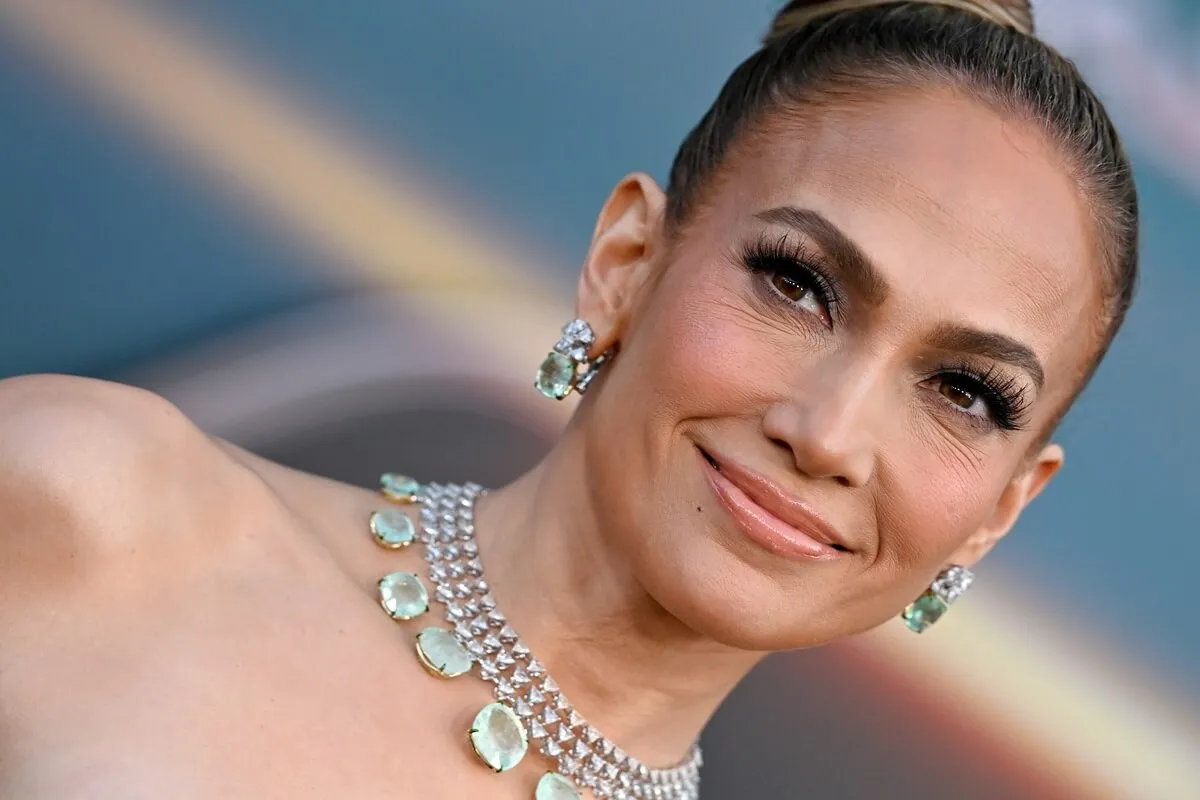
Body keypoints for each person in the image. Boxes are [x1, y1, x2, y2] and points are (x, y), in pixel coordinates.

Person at [0, 0, 1138, 797]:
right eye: (798, 285)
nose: (831, 432)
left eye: (965, 392)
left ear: (1001, 507)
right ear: (629, 261)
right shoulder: (92, 514)